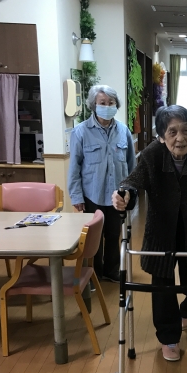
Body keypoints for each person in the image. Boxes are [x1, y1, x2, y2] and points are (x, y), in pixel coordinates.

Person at [112, 105, 187, 362]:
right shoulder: (152, 154)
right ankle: (169, 337)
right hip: (161, 231)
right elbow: (134, 180)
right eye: (172, 132)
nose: (180, 138)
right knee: (162, 286)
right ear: (161, 136)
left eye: (185, 130)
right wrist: (125, 194)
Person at [68, 85, 136, 283]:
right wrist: (76, 196)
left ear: (116, 105)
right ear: (94, 105)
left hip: (117, 195)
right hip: (92, 194)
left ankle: (111, 270)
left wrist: (131, 193)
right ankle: (93, 273)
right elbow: (74, 167)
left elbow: (132, 165)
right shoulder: (81, 132)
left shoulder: (123, 131)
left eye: (111, 103)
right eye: (102, 103)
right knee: (92, 237)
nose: (107, 106)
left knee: (114, 234)